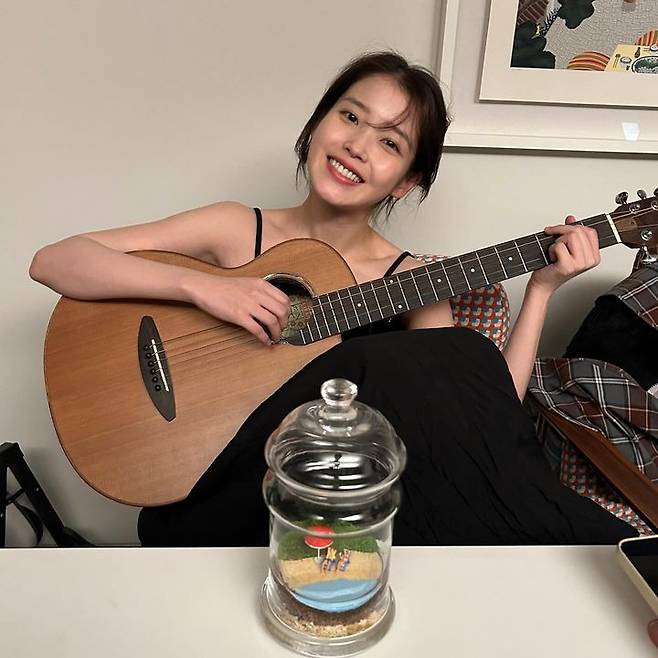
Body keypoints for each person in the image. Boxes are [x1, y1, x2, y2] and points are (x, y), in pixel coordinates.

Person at [29, 50, 637, 547]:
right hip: (212, 491)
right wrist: (205, 286)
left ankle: (596, 555)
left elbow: (480, 414)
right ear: (318, 124)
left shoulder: (409, 278)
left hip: (323, 509)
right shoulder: (237, 229)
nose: (357, 146)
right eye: (350, 117)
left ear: (407, 181)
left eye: (390, 143)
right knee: (398, 361)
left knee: (441, 359)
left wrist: (541, 291)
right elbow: (54, 261)